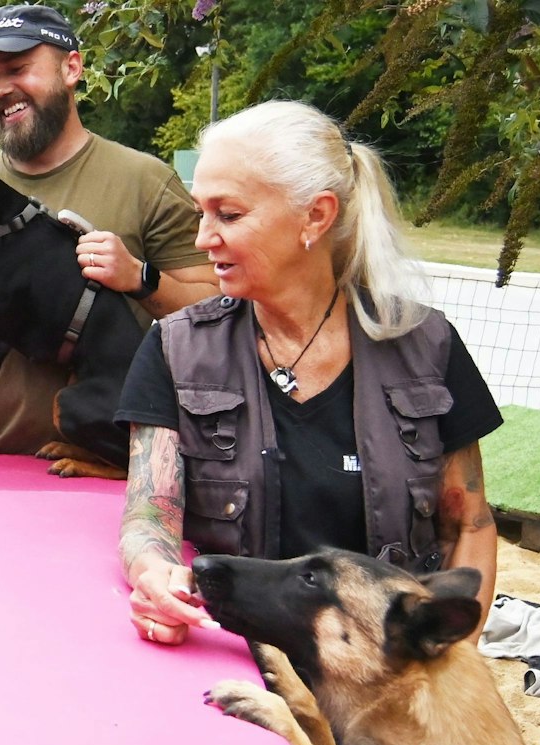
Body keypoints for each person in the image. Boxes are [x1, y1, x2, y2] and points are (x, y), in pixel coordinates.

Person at [116, 101, 502, 645]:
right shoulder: (175, 349)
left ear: (315, 217)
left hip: (381, 668)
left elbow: (470, 524)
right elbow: (149, 517)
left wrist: (445, 661)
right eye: (201, 212)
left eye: (228, 214)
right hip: (233, 657)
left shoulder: (426, 345)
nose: (203, 238)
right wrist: (156, 576)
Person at [0, 5, 219, 456]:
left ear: (72, 68)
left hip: (107, 462)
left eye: (17, 69)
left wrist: (139, 277)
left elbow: (215, 318)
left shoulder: (146, 183)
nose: (0, 90)